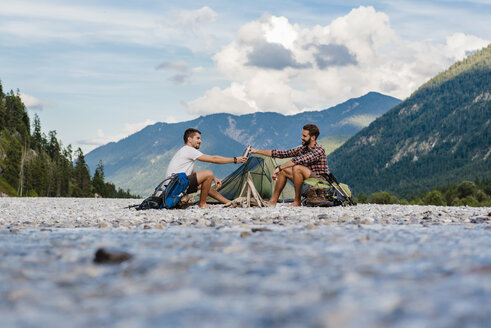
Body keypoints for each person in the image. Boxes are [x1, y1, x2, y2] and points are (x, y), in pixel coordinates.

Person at [250, 124, 329, 207]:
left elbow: (298, 160)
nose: (301, 137)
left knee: (297, 168)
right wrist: (256, 151)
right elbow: (281, 153)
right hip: (308, 182)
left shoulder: (319, 150)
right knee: (283, 171)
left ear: (313, 137)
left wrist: (279, 167)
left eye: (304, 136)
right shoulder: (303, 149)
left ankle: (297, 201)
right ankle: (272, 201)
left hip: (320, 183)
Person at [165, 128, 247, 208]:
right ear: (189, 139)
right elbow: (214, 159)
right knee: (208, 173)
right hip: (175, 187)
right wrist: (235, 160)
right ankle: (202, 204)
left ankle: (229, 203)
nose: (200, 141)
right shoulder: (188, 150)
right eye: (198, 138)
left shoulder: (184, 150)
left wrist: (213, 178)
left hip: (173, 187)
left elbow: (192, 172)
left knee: (205, 185)